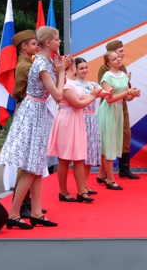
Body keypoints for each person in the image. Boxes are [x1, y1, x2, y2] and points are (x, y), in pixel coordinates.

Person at [0, 26, 68, 229]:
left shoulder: (45, 62)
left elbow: (55, 88)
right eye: (57, 39)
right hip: (34, 113)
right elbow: (58, 95)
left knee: (37, 166)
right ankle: (14, 214)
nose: (59, 42)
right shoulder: (42, 64)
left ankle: (36, 212)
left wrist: (59, 71)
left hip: (37, 112)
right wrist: (61, 72)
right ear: (48, 42)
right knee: (30, 167)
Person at [48, 58, 104, 203]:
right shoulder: (64, 83)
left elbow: (82, 97)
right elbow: (77, 103)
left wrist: (96, 94)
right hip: (67, 120)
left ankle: (81, 191)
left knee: (79, 157)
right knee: (65, 159)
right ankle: (63, 192)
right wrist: (93, 95)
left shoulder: (71, 82)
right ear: (71, 67)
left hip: (76, 120)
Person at [96, 51, 141, 191]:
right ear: (108, 63)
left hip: (118, 111)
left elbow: (126, 98)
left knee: (111, 143)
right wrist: (128, 92)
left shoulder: (123, 76)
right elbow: (109, 99)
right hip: (108, 111)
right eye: (114, 58)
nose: (118, 59)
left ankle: (101, 174)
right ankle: (110, 180)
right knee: (108, 144)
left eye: (118, 57)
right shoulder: (106, 76)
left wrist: (133, 94)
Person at [10, 30, 38, 218]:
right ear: (24, 46)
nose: (37, 47)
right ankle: (20, 203)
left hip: (29, 108)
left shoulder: (29, 64)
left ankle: (25, 202)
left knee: (29, 158)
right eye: (34, 44)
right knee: (26, 158)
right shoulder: (25, 66)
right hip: (26, 109)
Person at [74, 57, 103, 196]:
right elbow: (78, 100)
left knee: (91, 153)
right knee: (83, 155)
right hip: (81, 118)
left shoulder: (93, 84)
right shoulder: (74, 85)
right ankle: (81, 187)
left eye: (86, 67)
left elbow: (105, 95)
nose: (84, 70)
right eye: (81, 68)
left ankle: (85, 184)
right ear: (75, 70)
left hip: (92, 119)